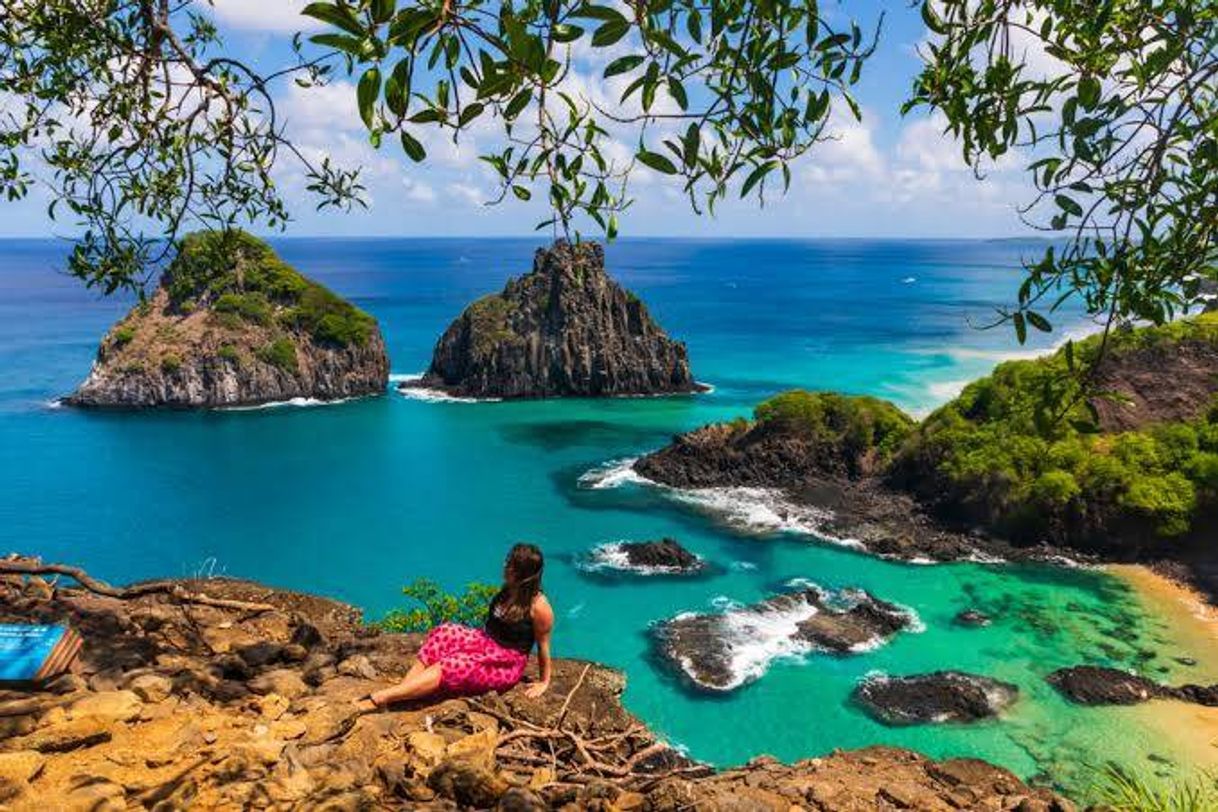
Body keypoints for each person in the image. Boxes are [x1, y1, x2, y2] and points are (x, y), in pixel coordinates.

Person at [360, 544, 554, 709]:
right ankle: (405, 689)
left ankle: (384, 697)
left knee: (454, 665)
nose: (505, 566)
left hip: (505, 661)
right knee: (444, 632)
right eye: (507, 560)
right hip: (486, 642)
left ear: (523, 574)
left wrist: (544, 682)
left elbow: (543, 646)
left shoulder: (539, 608)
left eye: (510, 564)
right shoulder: (510, 589)